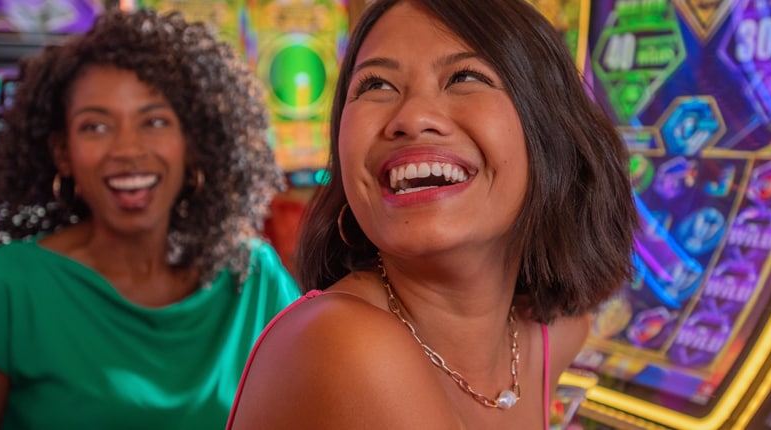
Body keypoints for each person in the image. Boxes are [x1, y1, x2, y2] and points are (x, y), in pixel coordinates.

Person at [228, 0, 637, 428]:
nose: (412, 117)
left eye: (464, 77)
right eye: (376, 86)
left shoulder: (556, 334)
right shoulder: (343, 341)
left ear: (550, 132)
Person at [0, 9, 299, 429]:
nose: (127, 149)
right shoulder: (3, 290)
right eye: (96, 127)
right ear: (62, 154)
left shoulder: (253, 277)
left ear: (192, 144)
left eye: (154, 121)